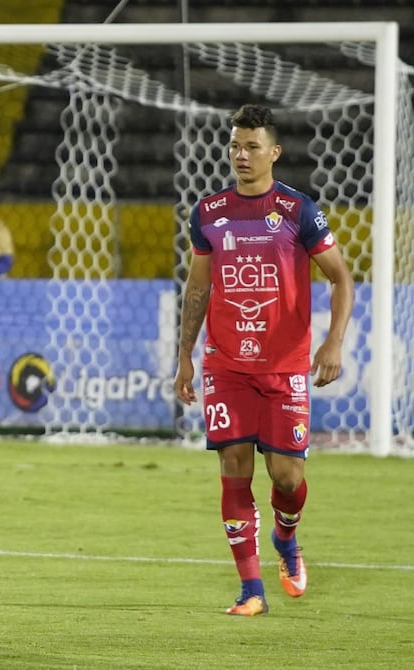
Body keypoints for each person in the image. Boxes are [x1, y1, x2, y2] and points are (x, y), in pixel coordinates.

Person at [173, 104, 354, 616]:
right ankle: (251, 591)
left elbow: (341, 277)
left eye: (252, 146)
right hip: (226, 364)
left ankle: (286, 537)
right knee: (234, 467)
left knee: (286, 478)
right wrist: (185, 356)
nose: (241, 154)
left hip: (284, 366)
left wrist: (334, 342)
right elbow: (198, 287)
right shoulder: (209, 213)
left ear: (274, 152)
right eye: (235, 145)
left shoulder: (298, 210)